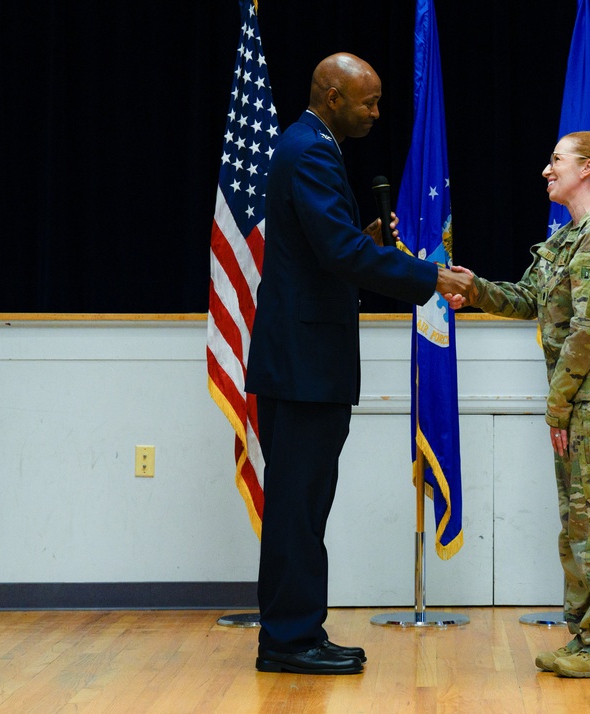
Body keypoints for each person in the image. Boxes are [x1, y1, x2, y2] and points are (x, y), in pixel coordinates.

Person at [245, 52, 471, 676]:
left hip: (307, 364)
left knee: (306, 503)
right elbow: (338, 252)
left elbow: (330, 250)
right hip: (302, 367)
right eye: (368, 102)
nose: (377, 112)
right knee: (297, 505)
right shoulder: (310, 149)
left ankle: (298, 632)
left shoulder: (313, 145)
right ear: (332, 95)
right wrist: (429, 276)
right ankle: (288, 640)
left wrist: (367, 241)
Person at [448, 131, 590, 678]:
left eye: (556, 160)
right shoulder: (570, 239)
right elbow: (531, 301)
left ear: (588, 168)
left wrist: (556, 406)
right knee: (578, 521)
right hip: (581, 397)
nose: (546, 170)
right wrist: (476, 291)